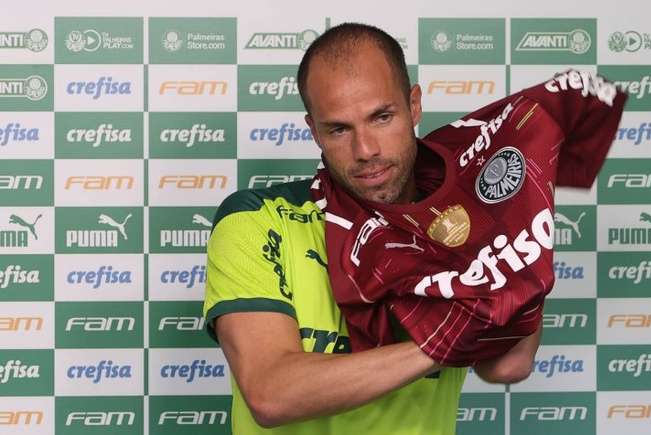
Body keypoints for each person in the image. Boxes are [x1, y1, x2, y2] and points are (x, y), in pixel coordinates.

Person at [203, 23, 545, 435]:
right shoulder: (257, 218)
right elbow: (271, 394)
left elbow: (507, 365)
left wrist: (521, 225)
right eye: (339, 129)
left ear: (413, 105)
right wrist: (447, 338)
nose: (366, 150)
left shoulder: (458, 224)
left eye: (381, 117)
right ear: (313, 130)